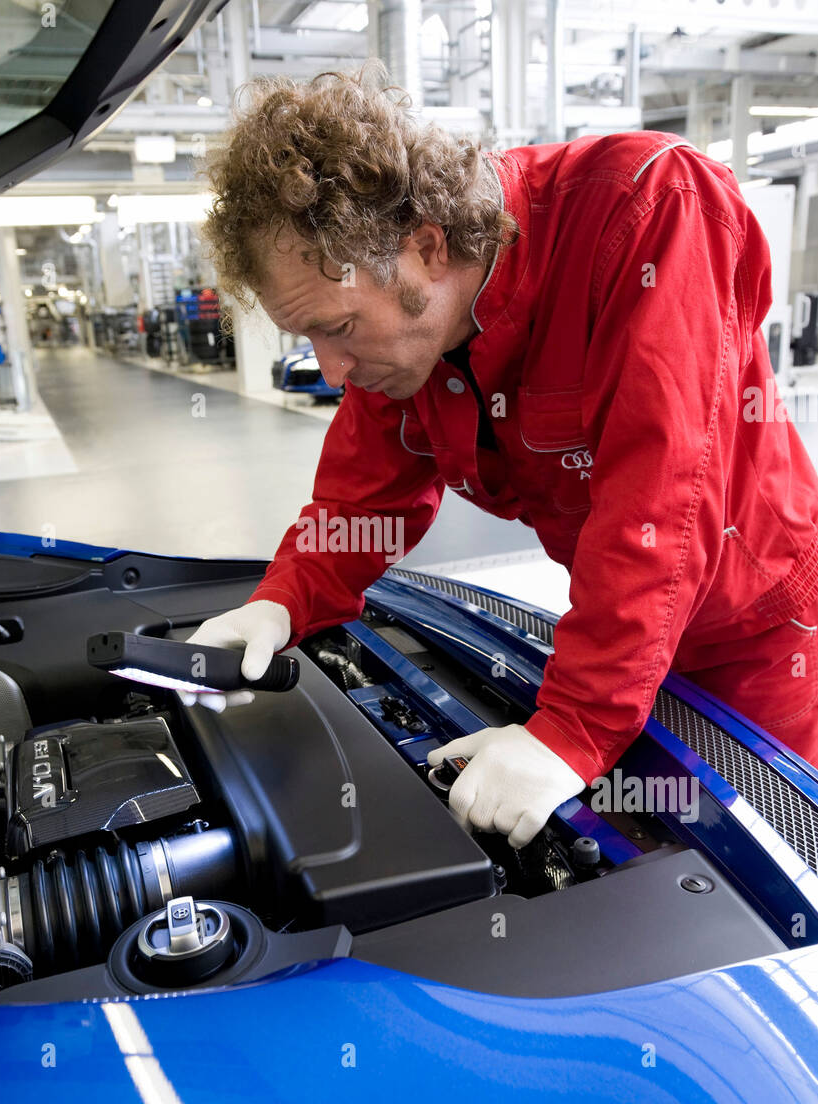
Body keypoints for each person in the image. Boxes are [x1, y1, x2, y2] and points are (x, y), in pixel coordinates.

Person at [187, 65, 818, 849]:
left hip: (749, 632)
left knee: (755, 868)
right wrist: (280, 602)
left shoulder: (649, 208)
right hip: (613, 619)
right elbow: (360, 501)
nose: (333, 370)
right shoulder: (406, 328)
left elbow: (663, 500)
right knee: (634, 834)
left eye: (339, 328)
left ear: (425, 248)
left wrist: (575, 726)